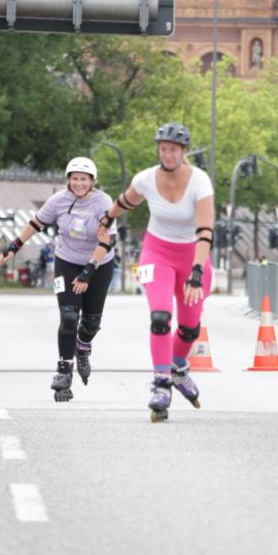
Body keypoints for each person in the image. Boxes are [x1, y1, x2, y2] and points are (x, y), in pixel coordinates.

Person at [98, 122, 214, 421]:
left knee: (190, 327)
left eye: (173, 150)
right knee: (160, 318)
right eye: (163, 149)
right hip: (157, 253)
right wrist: (106, 218)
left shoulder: (200, 182)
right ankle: (162, 383)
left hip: (193, 255)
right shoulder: (147, 178)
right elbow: (126, 201)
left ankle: (178, 366)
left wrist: (197, 271)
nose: (168, 155)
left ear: (183, 151)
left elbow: (205, 231)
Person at [0, 157, 117, 402]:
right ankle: (64, 371)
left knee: (91, 322)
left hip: (100, 263)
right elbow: (36, 223)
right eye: (74, 178)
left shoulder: (103, 202)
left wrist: (88, 272)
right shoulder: (58, 200)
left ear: (93, 181)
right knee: (69, 316)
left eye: (84, 179)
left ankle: (83, 347)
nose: (79, 183)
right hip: (67, 261)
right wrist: (14, 246)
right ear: (68, 180)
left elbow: (108, 240)